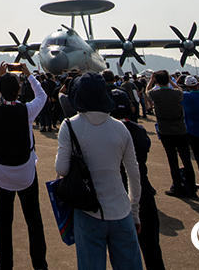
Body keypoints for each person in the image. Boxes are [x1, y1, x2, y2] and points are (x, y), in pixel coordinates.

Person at [55, 73, 143, 270]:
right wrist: (134, 212)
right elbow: (133, 174)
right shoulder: (121, 128)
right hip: (121, 210)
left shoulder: (69, 126)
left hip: (88, 212)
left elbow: (61, 169)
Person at [0, 63, 49, 270]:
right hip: (26, 173)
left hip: (1, 173)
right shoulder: (27, 110)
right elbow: (42, 96)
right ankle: (40, 264)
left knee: (4, 222)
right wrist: (29, 75)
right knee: (34, 219)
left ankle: (5, 264)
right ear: (19, 90)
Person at [109, 89, 164, 270]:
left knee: (122, 249)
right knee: (151, 246)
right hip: (142, 191)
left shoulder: (107, 134)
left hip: (117, 193)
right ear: (131, 108)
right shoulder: (139, 131)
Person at [146, 71, 196, 197]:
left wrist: (151, 81)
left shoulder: (155, 94)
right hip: (181, 130)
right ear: (167, 80)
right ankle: (192, 186)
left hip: (165, 132)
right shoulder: (176, 93)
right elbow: (179, 88)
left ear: (156, 81)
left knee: (172, 160)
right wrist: (171, 81)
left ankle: (177, 187)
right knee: (186, 160)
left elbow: (147, 91)